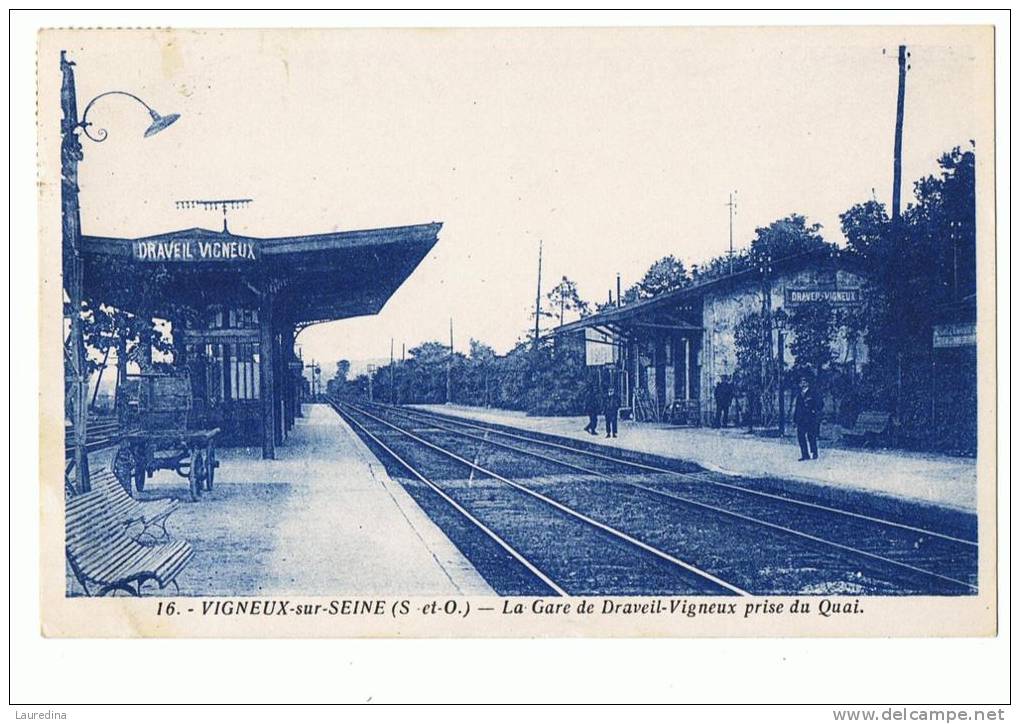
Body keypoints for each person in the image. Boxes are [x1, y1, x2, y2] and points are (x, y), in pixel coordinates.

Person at [793, 375, 823, 461]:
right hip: (801, 419)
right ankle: (805, 454)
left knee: (811, 436)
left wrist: (814, 410)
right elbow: (797, 408)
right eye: (801, 382)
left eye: (804, 382)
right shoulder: (799, 395)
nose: (802, 384)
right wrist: (795, 420)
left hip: (810, 419)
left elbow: (820, 403)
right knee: (801, 437)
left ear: (807, 383)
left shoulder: (813, 393)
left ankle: (814, 452)